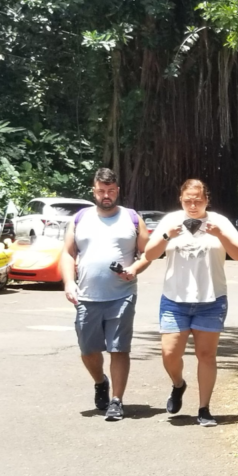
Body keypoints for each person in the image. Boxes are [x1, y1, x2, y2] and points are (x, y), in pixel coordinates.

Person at [138, 179, 238, 426]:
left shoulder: (219, 221)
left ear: (207, 199)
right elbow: (150, 255)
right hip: (174, 300)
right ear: (181, 200)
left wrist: (220, 234)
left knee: (206, 355)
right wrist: (167, 235)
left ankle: (204, 408)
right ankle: (178, 384)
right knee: (169, 353)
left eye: (198, 200)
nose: (193, 205)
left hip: (211, 299)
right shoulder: (170, 221)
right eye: (188, 200)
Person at [62, 168, 146, 421]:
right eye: (101, 191)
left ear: (117, 191)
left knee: (119, 349)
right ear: (94, 191)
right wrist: (68, 283)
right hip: (86, 296)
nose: (106, 196)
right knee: (88, 350)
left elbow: (149, 251)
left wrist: (134, 269)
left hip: (122, 295)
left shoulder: (131, 218)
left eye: (110, 191)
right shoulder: (79, 218)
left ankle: (117, 401)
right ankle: (100, 381)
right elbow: (67, 253)